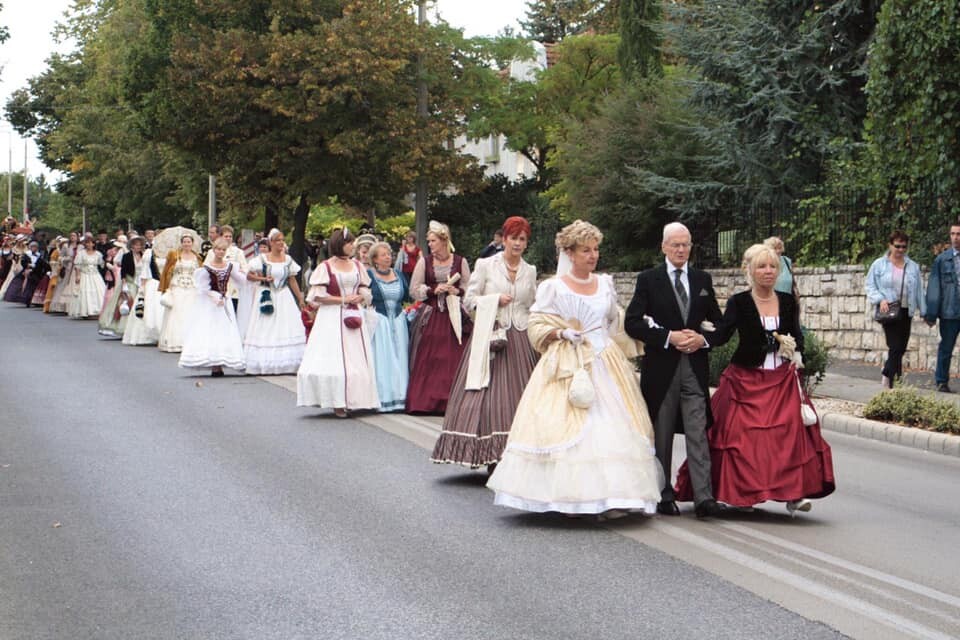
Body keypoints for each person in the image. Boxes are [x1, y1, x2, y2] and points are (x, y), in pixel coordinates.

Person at [487, 220, 663, 517]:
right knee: (567, 427)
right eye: (585, 250)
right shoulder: (553, 287)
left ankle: (614, 496)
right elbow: (536, 323)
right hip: (568, 362)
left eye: (595, 249)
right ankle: (569, 496)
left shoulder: (605, 284)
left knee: (612, 425)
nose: (593, 256)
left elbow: (612, 321)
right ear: (570, 253)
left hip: (604, 361)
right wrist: (560, 333)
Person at [674, 244, 835, 515]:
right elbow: (723, 333)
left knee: (789, 437)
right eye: (761, 266)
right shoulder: (740, 301)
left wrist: (798, 356)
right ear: (750, 271)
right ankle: (742, 494)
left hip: (782, 378)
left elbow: (798, 334)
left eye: (773, 266)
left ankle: (793, 494)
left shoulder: (786, 301)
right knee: (741, 440)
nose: (768, 271)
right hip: (745, 379)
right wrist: (701, 340)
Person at [624, 221, 726, 519]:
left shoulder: (702, 279)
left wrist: (702, 339)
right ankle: (663, 494)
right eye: (676, 245)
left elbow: (719, 325)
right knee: (663, 432)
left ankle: (704, 497)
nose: (681, 250)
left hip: (694, 368)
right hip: (662, 369)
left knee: (698, 432)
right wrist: (668, 338)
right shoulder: (648, 279)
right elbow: (632, 322)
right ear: (664, 247)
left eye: (686, 245)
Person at [432, 216, 539, 470]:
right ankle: (491, 455)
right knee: (491, 398)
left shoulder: (530, 270)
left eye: (522, 239)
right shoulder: (485, 265)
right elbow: (469, 301)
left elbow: (533, 305)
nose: (517, 244)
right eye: (513, 238)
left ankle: (518, 453)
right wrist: (493, 300)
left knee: (523, 397)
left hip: (521, 338)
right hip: (492, 335)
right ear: (504, 239)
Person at [297, 228, 379, 415]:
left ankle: (354, 399)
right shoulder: (326, 267)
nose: (353, 246)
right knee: (334, 359)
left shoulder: (357, 265)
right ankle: (337, 401)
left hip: (354, 315)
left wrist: (360, 297)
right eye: (350, 243)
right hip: (332, 318)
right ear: (340, 245)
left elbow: (365, 288)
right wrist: (342, 300)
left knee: (356, 358)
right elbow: (316, 296)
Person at [405, 221, 472, 414]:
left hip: (454, 314)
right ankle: (427, 401)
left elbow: (470, 287)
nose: (430, 244)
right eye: (429, 241)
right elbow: (414, 289)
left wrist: (456, 290)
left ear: (444, 240)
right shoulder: (424, 262)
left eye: (433, 241)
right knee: (431, 355)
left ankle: (454, 401)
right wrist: (433, 289)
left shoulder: (460, 261)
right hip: (432, 314)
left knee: (454, 356)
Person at [241, 228, 307, 375]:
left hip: (284, 295)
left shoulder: (288, 260)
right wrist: (263, 279)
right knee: (266, 326)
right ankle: (264, 361)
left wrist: (300, 298)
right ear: (271, 242)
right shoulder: (262, 259)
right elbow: (249, 276)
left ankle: (288, 362)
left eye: (282, 240)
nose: (281, 243)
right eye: (278, 240)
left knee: (286, 326)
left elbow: (292, 279)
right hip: (267, 293)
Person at [865, 230, 926, 389]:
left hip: (906, 310)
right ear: (890, 245)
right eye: (897, 246)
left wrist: (925, 312)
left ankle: (890, 376)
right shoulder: (879, 265)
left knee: (901, 348)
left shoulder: (912, 266)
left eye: (904, 247)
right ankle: (891, 379)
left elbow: (919, 290)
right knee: (895, 346)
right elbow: (870, 285)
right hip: (889, 310)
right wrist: (880, 299)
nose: (900, 250)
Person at [179, 238, 247, 376]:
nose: (221, 252)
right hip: (211, 303)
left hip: (224, 302)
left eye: (223, 250)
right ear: (214, 250)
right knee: (211, 330)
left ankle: (221, 361)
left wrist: (250, 274)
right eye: (218, 249)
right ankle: (214, 364)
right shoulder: (206, 268)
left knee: (225, 330)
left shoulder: (230, 266)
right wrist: (214, 297)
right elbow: (202, 288)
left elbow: (240, 280)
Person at [366, 241, 410, 412]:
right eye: (383, 255)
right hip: (380, 321)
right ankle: (383, 397)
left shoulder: (398, 274)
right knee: (383, 359)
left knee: (400, 357)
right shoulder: (369, 276)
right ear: (375, 259)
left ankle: (401, 396)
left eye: (389, 254)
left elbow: (406, 296)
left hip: (398, 321)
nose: (388, 257)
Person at [924, 222, 960, 393]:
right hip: (949, 312)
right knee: (946, 347)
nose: (955, 238)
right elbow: (934, 287)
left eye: (958, 234)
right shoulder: (942, 260)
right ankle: (941, 381)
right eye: (953, 234)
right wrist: (931, 313)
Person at [157, 234, 201, 352]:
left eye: (189, 242)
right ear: (181, 243)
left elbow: (200, 273)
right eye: (185, 242)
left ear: (192, 243)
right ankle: (175, 341)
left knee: (190, 313)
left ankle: (190, 341)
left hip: (192, 287)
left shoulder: (197, 257)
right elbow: (166, 271)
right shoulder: (174, 255)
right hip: (177, 286)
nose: (187, 244)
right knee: (176, 313)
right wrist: (166, 287)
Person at [120, 235, 161, 346]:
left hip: (151, 282)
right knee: (135, 303)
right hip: (133, 280)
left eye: (139, 245)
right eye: (135, 244)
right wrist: (125, 284)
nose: (138, 247)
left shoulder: (149, 254)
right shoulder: (128, 256)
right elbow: (124, 271)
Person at [204, 224, 247, 312]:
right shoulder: (211, 252)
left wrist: (238, 271)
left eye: (230, 236)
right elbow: (206, 268)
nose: (228, 238)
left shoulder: (238, 252)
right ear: (221, 236)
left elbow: (245, 268)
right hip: (216, 289)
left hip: (234, 290)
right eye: (226, 236)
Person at [98, 235, 130, 337]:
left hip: (124, 275)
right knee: (117, 299)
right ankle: (115, 324)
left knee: (124, 299)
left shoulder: (125, 251)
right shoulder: (115, 251)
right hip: (118, 273)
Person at [68, 237, 107, 319]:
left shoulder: (98, 254)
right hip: (84, 275)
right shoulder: (81, 253)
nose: (89, 244)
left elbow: (102, 265)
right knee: (84, 293)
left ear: (93, 244)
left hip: (95, 275)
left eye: (91, 243)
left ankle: (97, 312)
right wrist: (78, 276)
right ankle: (85, 312)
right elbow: (77, 265)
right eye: (87, 243)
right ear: (85, 244)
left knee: (98, 293)